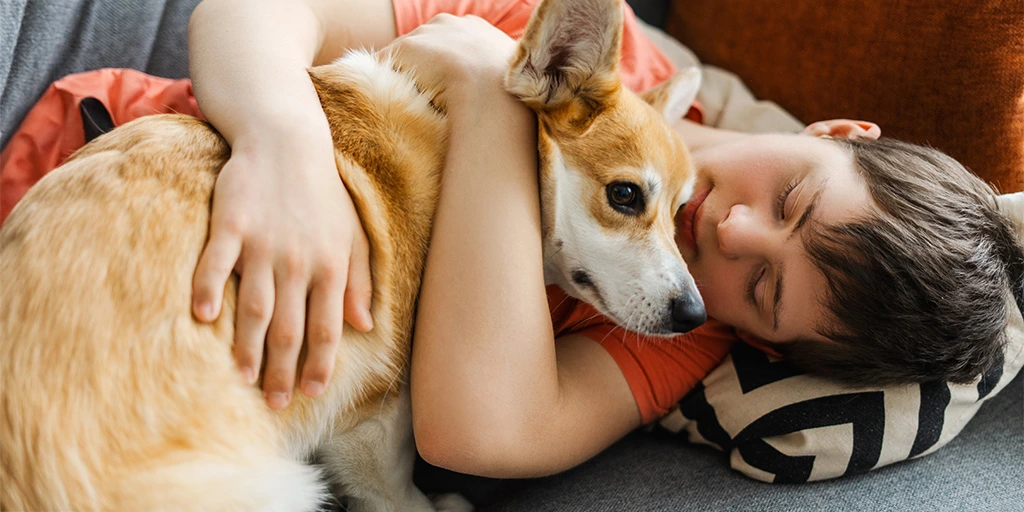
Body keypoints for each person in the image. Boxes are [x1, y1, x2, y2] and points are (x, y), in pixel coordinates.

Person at [181, 0, 1022, 478]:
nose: (731, 232)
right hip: (145, 176)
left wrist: (484, 90)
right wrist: (280, 146)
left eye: (763, 290)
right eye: (791, 196)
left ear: (764, 343)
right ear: (837, 131)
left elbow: (480, 433)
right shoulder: (588, 46)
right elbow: (257, 12)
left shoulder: (673, 328)